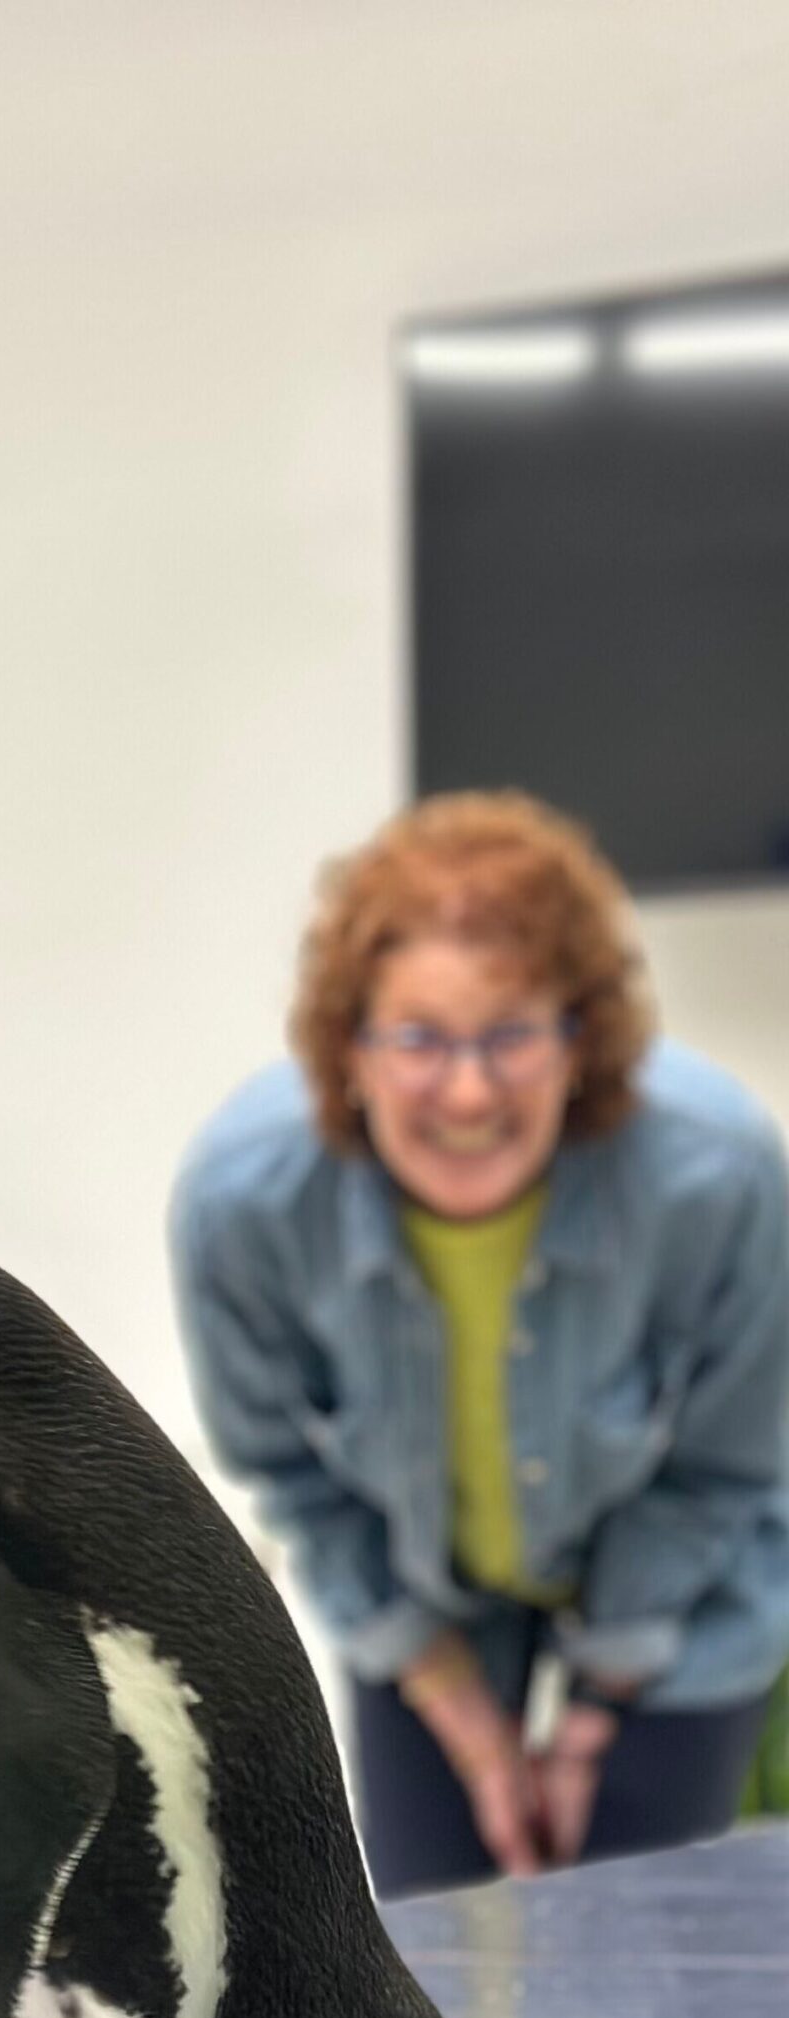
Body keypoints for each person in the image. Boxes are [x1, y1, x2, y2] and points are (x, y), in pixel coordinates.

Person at [172, 791, 788, 1898]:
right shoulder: (243, 1206)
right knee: (432, 1937)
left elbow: (720, 1467)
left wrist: (594, 1715)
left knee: (639, 1940)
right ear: (346, 1046)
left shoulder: (722, 1179)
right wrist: (464, 1719)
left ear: (579, 1039)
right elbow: (291, 1475)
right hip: (421, 1586)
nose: (466, 1088)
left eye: (510, 1034)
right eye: (417, 1037)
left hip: (680, 1586)